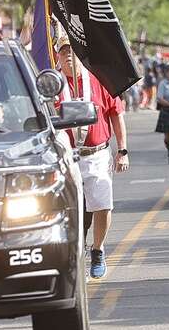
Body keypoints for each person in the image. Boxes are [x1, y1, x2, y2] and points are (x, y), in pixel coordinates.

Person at [55, 30, 129, 279]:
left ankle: (97, 250)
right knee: (67, 210)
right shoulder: (51, 84)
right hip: (64, 158)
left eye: (71, 52)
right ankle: (74, 254)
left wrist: (123, 150)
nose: (68, 57)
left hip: (96, 154)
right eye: (63, 52)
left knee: (102, 205)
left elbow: (116, 114)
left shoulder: (97, 79)